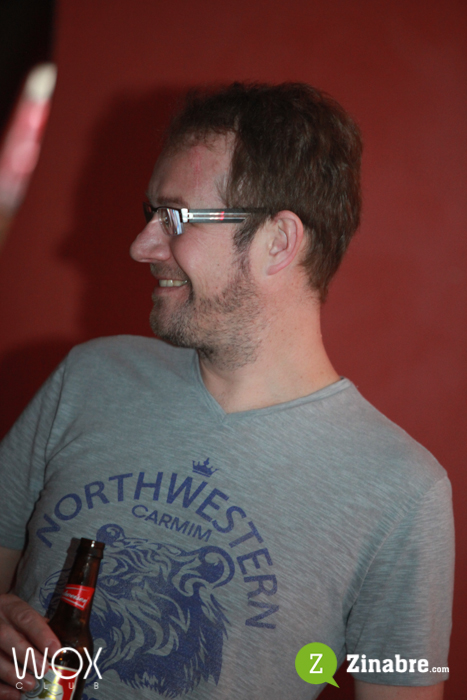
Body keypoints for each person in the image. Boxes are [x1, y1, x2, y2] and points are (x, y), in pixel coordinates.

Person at [0, 83, 454, 700]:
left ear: (278, 242)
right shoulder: (88, 378)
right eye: (150, 213)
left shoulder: (401, 492)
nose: (141, 246)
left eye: (175, 217)